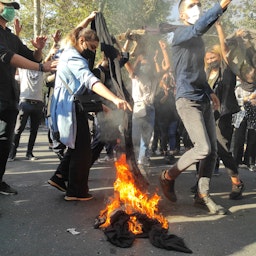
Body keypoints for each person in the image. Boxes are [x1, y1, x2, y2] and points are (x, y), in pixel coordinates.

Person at [159, 0, 233, 215]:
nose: (197, 8)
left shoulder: (197, 42)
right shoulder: (181, 34)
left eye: (199, 4)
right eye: (192, 5)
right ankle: (168, 176)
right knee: (203, 148)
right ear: (182, 15)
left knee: (212, 152)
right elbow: (200, 26)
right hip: (187, 100)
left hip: (202, 99)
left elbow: (198, 73)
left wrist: (210, 93)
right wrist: (221, 6)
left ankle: (202, 196)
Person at [48, 13, 131, 201]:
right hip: (71, 107)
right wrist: (114, 99)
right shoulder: (74, 58)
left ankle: (60, 178)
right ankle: (76, 192)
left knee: (78, 146)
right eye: (92, 47)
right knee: (83, 150)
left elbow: (74, 33)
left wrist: (88, 19)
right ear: (82, 41)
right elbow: (89, 80)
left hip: (71, 105)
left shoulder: (68, 50)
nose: (93, 51)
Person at [0, 0, 57, 195]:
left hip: (9, 99)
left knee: (4, 143)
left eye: (13, 7)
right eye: (6, 5)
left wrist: (39, 49)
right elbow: (8, 57)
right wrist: (42, 67)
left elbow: (33, 57)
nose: (10, 10)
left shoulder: (10, 37)